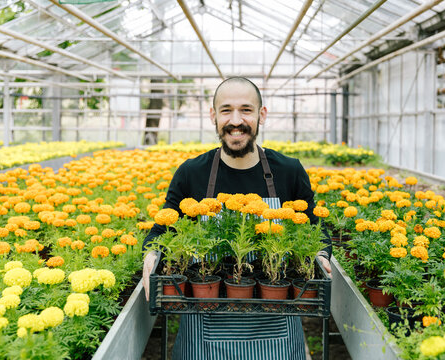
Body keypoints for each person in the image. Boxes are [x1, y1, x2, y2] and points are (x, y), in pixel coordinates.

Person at [142, 77, 332, 360]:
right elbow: (160, 230)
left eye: (246, 110)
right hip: (205, 333)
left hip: (275, 331)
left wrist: (321, 254)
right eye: (226, 110)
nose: (235, 120)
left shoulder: (288, 171)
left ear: (261, 115)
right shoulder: (192, 172)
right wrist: (151, 254)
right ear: (213, 116)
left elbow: (317, 230)